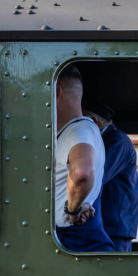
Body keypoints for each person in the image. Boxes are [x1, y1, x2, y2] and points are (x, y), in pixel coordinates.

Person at [54, 67, 114, 252]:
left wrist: (72, 210)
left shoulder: (78, 130)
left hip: (75, 240)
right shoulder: (78, 130)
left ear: (57, 93)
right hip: (74, 239)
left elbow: (82, 172)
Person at [83, 101, 138, 251]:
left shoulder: (117, 140)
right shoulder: (108, 140)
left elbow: (97, 175)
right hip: (110, 225)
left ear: (94, 122)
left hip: (114, 227)